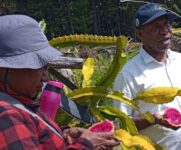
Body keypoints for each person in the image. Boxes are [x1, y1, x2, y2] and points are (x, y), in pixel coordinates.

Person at [0, 14, 119, 150]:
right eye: (39, 67)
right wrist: (86, 145)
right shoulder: (6, 117)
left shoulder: (19, 102)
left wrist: (61, 134)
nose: (45, 77)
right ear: (7, 68)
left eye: (46, 67)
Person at [113, 3, 181, 150]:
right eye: (156, 27)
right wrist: (152, 119)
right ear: (139, 33)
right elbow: (120, 125)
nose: (164, 31)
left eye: (166, 24)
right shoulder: (129, 74)